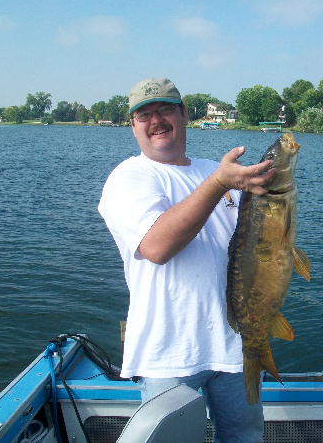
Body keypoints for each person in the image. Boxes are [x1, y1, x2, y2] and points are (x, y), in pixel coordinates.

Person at [98, 78, 276, 442]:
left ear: (184, 115)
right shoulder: (129, 177)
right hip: (167, 353)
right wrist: (219, 184)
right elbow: (157, 248)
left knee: (245, 437)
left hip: (236, 345)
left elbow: (259, 244)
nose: (156, 120)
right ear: (133, 127)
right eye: (144, 115)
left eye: (165, 110)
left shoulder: (220, 172)